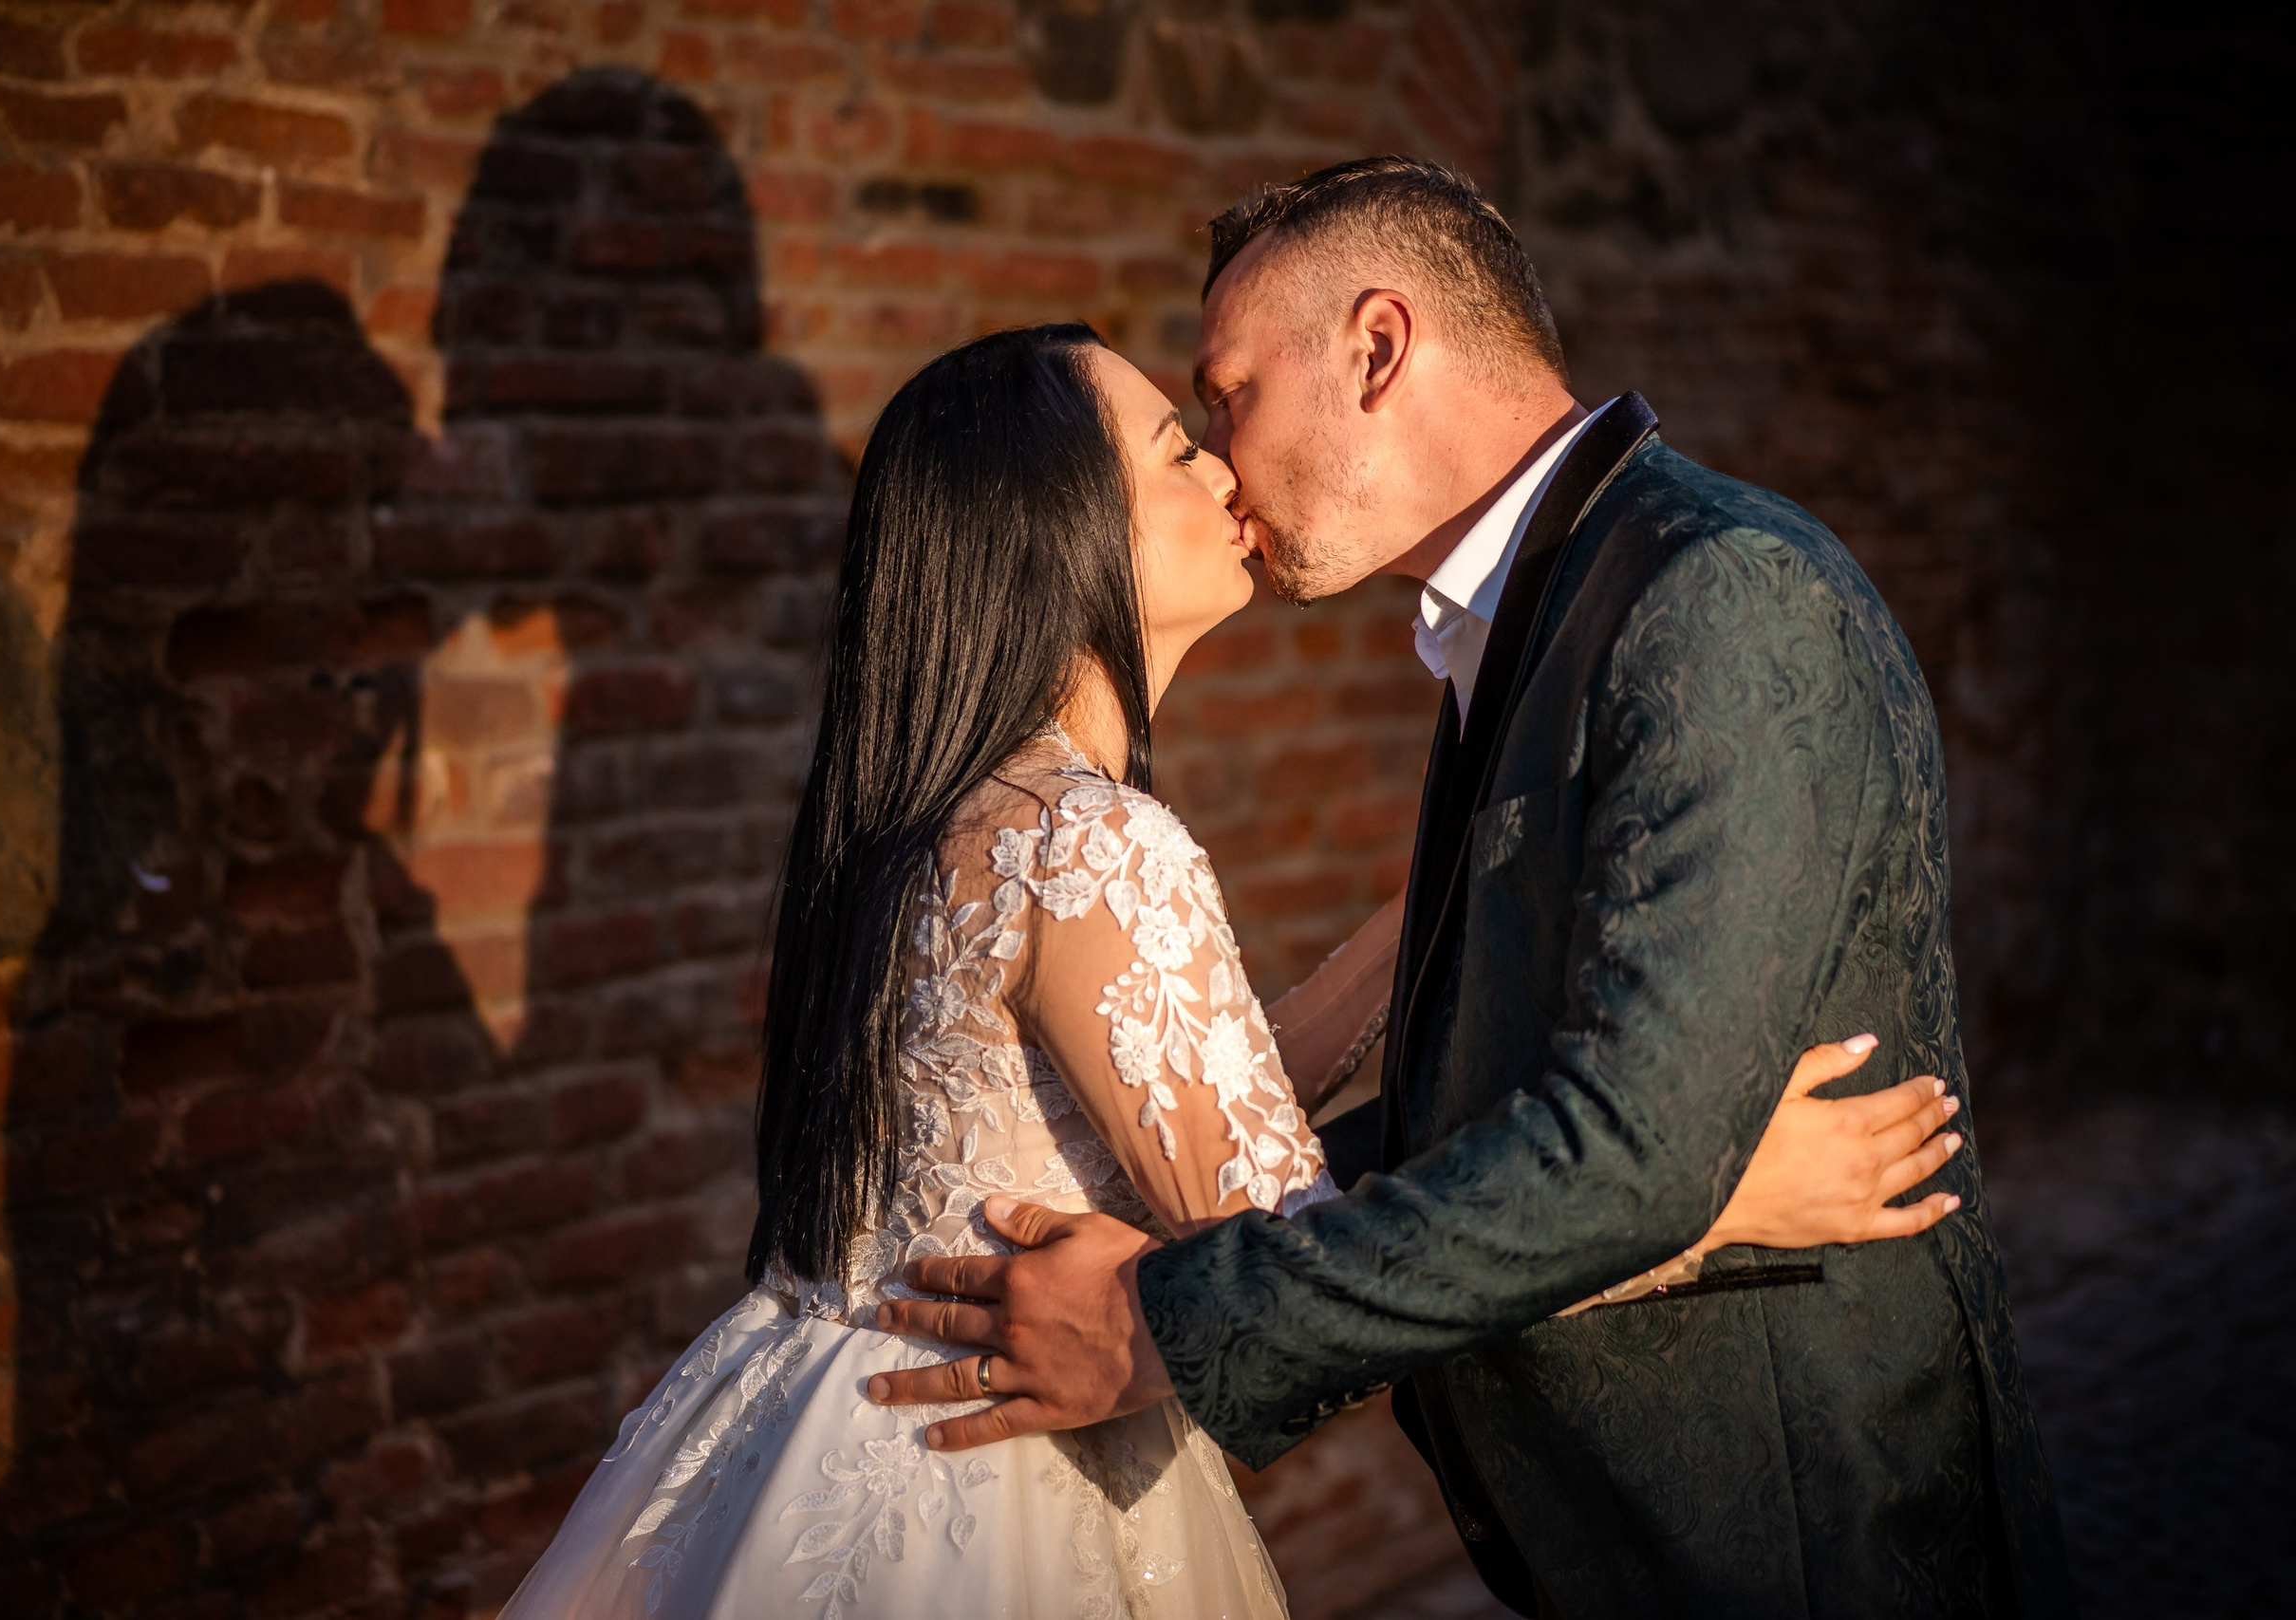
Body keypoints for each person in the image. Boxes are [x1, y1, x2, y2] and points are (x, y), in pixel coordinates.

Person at [500, 323, 1970, 1619]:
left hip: (813, 1437)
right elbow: (1301, 1256)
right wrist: (1711, 1199)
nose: (1222, 472)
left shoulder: (955, 812)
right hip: (998, 1504)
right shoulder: (1097, 842)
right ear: (1058, 530)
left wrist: (1434, 908)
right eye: (1173, 446)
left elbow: (1183, 1089)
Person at [867, 163, 2076, 1618]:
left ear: (1377, 349)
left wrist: (1162, 1326)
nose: (1227, 465)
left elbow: (1625, 1152)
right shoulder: (1515, 630)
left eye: (1230, 394)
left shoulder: (1718, 597)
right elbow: (1523, 1109)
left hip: (1802, 1539)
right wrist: (1707, 1198)